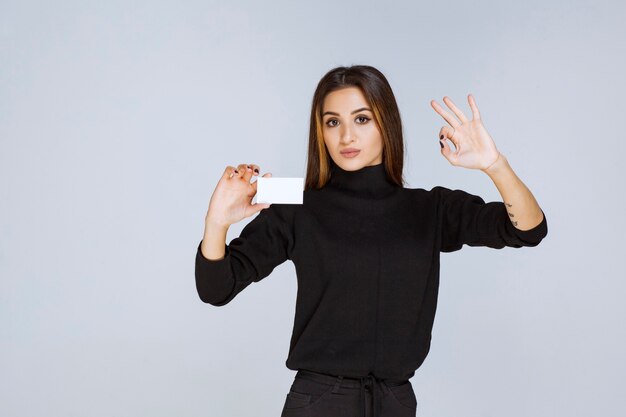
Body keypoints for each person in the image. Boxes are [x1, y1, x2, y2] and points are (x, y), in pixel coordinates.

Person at [195, 65, 548, 417]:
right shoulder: (298, 205)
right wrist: (217, 222)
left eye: (361, 119)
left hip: (394, 402)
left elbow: (528, 230)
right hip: (319, 401)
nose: (346, 136)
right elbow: (216, 288)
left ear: (386, 124)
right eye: (333, 122)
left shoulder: (429, 209)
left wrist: (494, 165)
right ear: (321, 131)